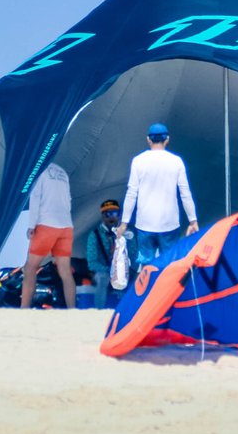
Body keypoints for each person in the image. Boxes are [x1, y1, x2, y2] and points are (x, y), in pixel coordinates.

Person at [115, 123, 198, 267]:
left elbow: (131, 193)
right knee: (169, 265)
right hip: (169, 224)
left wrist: (124, 223)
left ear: (148, 139)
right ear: (167, 139)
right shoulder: (176, 161)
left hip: (144, 224)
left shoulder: (138, 161)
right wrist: (193, 220)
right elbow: (185, 193)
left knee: (147, 268)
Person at [20, 161, 76, 309]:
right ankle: (73, 310)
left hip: (46, 225)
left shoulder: (38, 170)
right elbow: (69, 200)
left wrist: (31, 225)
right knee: (65, 271)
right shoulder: (62, 172)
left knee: (30, 268)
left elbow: (35, 197)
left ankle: (24, 309)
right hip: (66, 226)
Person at [84, 198, 128, 307]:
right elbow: (92, 262)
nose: (111, 217)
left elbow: (133, 255)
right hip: (102, 272)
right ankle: (100, 311)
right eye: (107, 214)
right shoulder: (94, 235)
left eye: (114, 213)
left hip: (122, 270)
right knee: (103, 278)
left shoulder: (126, 233)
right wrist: (110, 271)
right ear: (102, 216)